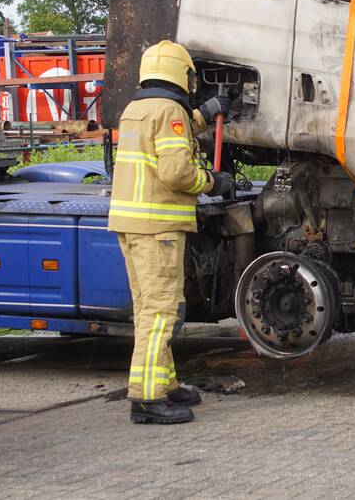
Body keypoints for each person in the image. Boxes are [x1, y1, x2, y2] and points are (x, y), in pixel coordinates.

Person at [108, 39, 234, 424]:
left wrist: (204, 114)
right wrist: (213, 181)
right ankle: (146, 399)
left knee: (148, 311)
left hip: (130, 224)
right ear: (182, 74)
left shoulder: (137, 109)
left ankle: (165, 383)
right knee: (161, 313)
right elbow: (176, 172)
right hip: (157, 226)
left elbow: (167, 133)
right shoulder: (169, 111)